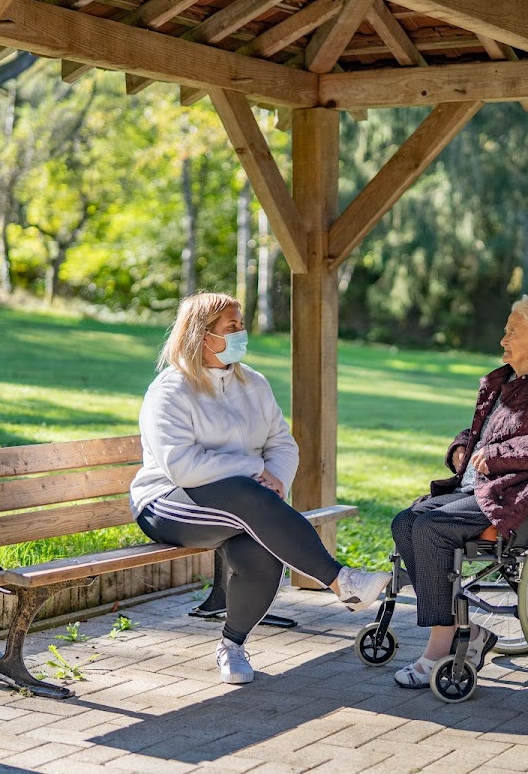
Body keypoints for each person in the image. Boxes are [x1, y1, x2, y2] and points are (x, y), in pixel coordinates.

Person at [130, 292, 391, 685]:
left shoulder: (253, 382)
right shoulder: (170, 391)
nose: (241, 333)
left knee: (265, 555)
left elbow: (282, 444)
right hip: (168, 503)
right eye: (231, 327)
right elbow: (181, 466)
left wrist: (277, 476)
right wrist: (255, 469)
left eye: (241, 324)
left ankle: (232, 646)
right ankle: (341, 581)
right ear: (202, 336)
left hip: (241, 503)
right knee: (251, 496)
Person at [390, 294, 528, 688]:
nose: (503, 339)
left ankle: (439, 648)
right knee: (405, 523)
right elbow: (482, 435)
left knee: (430, 529)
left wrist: (500, 455)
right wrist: (459, 449)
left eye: (512, 331)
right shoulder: (506, 382)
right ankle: (467, 631)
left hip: (516, 494)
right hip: (480, 486)